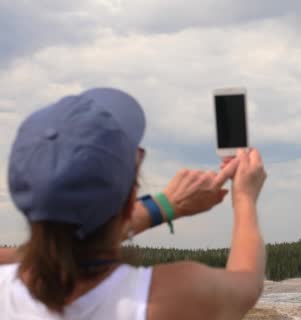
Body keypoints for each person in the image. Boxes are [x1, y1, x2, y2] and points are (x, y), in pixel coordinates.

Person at [0, 88, 267, 319]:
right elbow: (247, 283)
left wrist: (165, 204)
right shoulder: (168, 297)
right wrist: (244, 197)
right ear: (130, 200)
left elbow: (52, 248)